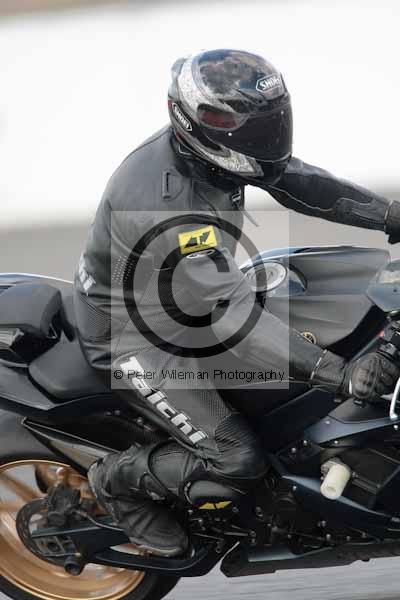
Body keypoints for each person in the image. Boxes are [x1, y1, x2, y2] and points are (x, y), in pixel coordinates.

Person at [74, 49, 400, 557]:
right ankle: (115, 483)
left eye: (272, 126)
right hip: (134, 336)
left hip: (195, 290)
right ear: (202, 126)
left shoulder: (211, 152)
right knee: (238, 458)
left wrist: (390, 214)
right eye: (256, 132)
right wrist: (340, 375)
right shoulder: (165, 205)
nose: (268, 141)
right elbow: (230, 315)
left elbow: (299, 182)